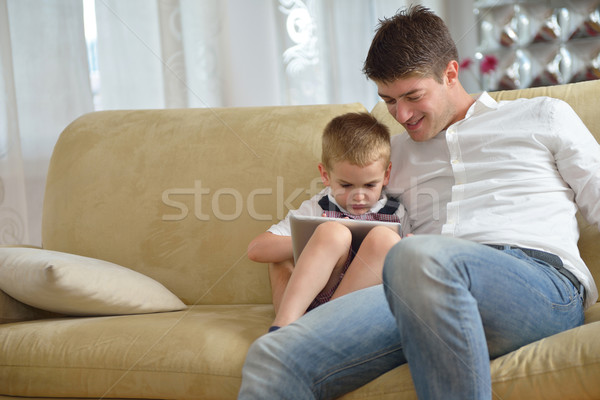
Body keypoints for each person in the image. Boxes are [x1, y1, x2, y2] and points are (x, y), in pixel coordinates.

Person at [239, 5, 600, 399]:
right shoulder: (386, 158)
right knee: (272, 357)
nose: (402, 115)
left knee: (417, 256)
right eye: (389, 100)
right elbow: (336, 213)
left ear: (450, 73)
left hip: (534, 285)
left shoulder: (543, 116)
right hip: (412, 291)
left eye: (413, 96)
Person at [247, 112, 409, 331]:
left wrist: (408, 248)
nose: (359, 197)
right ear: (325, 175)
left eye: (370, 185)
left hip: (353, 307)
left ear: (386, 175)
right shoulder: (318, 206)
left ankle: (323, 327)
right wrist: (315, 238)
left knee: (386, 238)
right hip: (307, 301)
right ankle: (282, 328)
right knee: (332, 233)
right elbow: (257, 250)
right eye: (346, 185)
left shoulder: (396, 211)